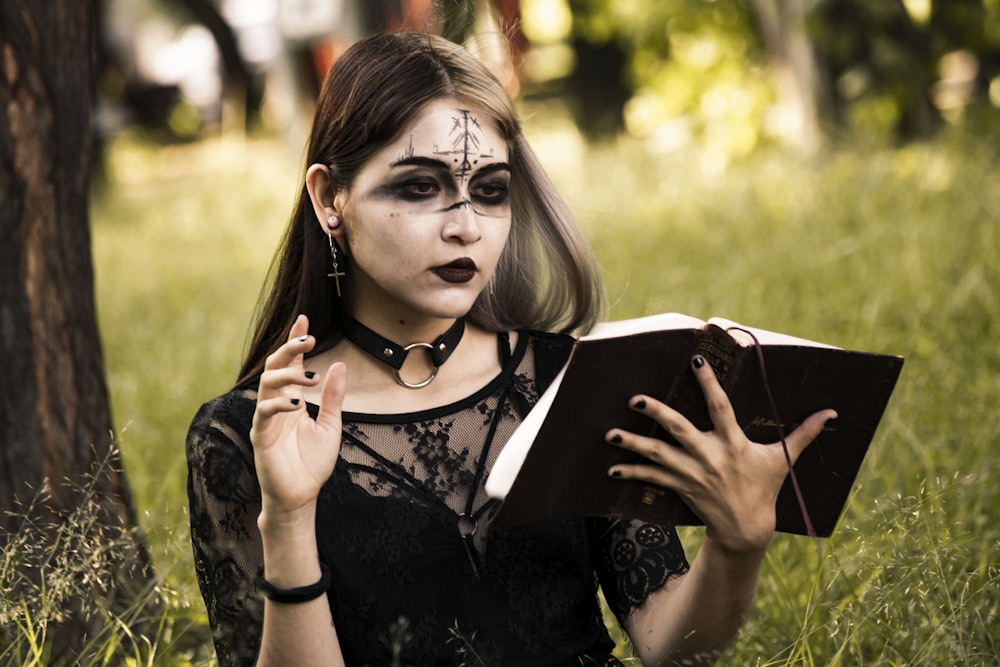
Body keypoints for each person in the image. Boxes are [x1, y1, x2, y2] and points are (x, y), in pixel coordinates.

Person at [185, 32, 835, 667]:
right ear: (330, 198)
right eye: (419, 187)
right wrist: (291, 518)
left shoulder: (572, 378)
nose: (466, 226)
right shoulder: (247, 433)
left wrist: (737, 543)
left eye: (491, 190)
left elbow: (671, 644)